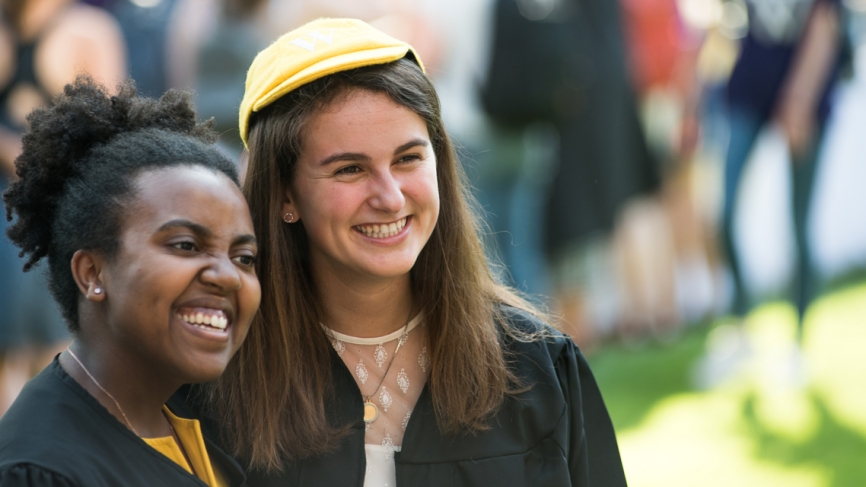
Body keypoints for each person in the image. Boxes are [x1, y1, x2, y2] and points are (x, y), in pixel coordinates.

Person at [190, 18, 626, 487]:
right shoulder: (219, 386)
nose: (392, 198)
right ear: (285, 196)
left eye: (408, 158)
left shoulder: (536, 370)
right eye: (350, 169)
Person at [0, 76, 260, 486]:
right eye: (186, 246)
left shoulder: (192, 426)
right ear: (92, 273)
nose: (228, 276)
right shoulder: (42, 470)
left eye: (244, 257)